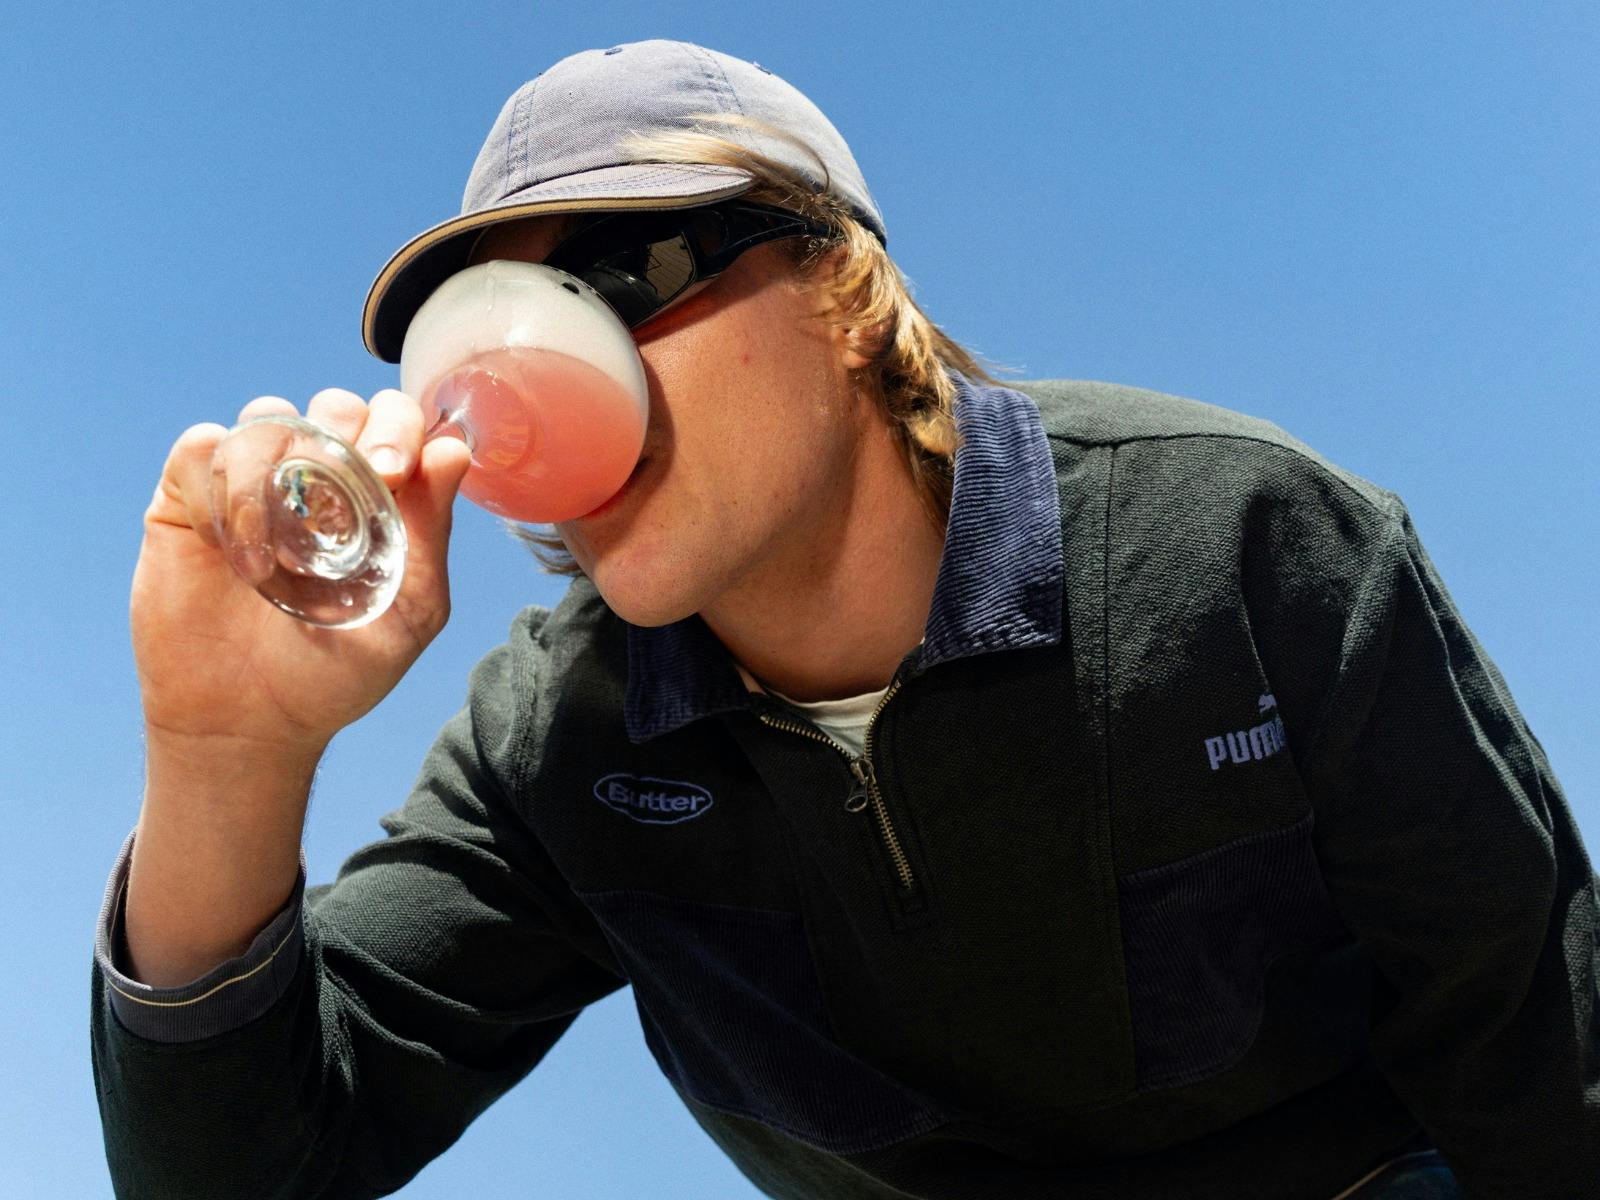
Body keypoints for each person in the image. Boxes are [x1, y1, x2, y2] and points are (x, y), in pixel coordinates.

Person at [91, 39, 1595, 1200]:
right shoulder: (559, 746)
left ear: (836, 277)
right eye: (480, 336)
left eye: (627, 275)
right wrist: (226, 759)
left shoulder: (1249, 546)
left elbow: (1540, 1060)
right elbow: (252, 1166)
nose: (539, 385)